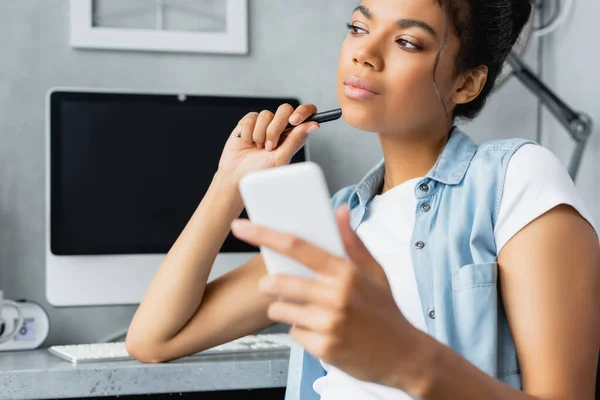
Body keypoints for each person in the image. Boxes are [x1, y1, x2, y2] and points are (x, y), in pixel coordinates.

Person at [126, 0, 600, 399]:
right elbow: (154, 338)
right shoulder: (334, 220)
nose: (365, 54)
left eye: (407, 42)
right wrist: (229, 183)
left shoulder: (514, 179)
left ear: (466, 83)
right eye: (358, 27)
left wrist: (407, 360)